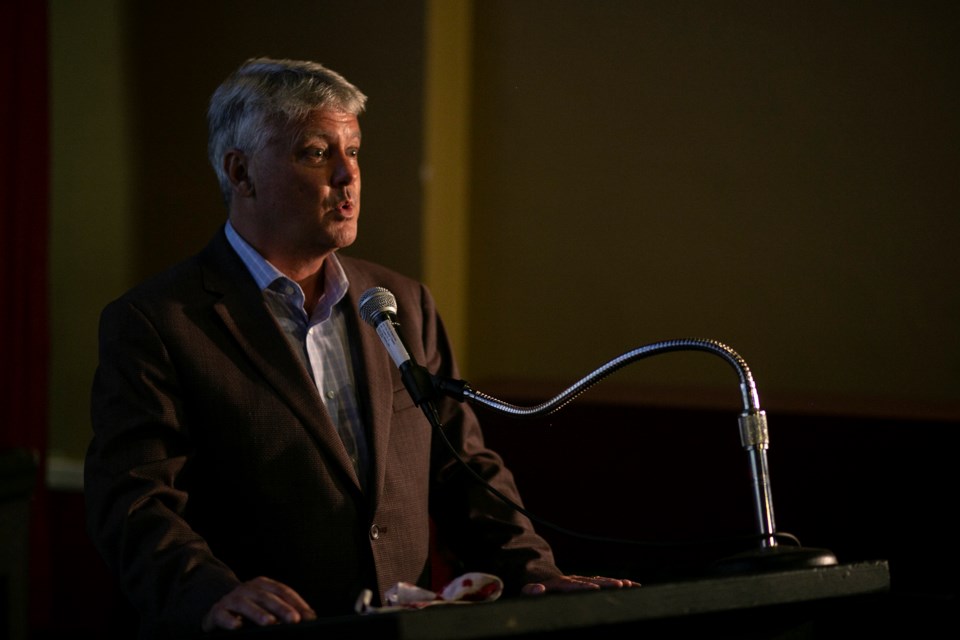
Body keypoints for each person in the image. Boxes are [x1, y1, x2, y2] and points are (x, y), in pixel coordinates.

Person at [84, 57, 636, 638]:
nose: (347, 177)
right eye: (317, 154)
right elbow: (134, 502)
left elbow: (461, 466)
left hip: (401, 629)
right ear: (241, 173)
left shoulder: (401, 301)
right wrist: (211, 594)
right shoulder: (157, 322)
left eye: (354, 152)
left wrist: (536, 573)